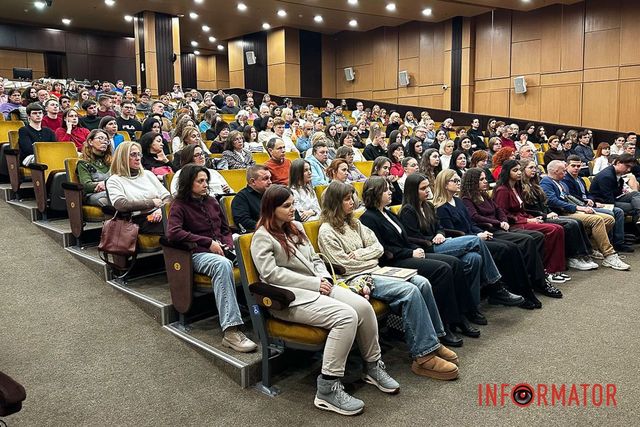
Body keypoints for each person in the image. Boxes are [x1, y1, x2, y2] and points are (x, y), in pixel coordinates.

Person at [251, 185, 400, 416]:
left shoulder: (296, 227)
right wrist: (313, 283)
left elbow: (315, 259)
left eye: (293, 203)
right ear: (272, 209)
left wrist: (323, 277)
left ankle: (372, 366)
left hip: (318, 286)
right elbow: (271, 274)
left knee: (363, 307)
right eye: (286, 206)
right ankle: (327, 388)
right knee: (346, 316)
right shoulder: (262, 237)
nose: (293, 209)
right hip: (289, 299)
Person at [317, 181, 459, 380]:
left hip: (376, 269)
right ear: (334, 203)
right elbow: (344, 265)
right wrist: (368, 257)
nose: (352, 202)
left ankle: (434, 339)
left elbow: (378, 248)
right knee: (409, 291)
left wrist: (359, 254)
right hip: (357, 279)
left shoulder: (355, 223)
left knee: (422, 282)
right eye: (346, 199)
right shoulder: (326, 231)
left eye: (351, 198)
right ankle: (424, 355)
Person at [362, 176, 485, 346]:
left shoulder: (388, 213)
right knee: (442, 269)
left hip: (406, 254)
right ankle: (445, 324)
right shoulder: (368, 218)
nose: (390, 192)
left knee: (454, 263)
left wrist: (414, 248)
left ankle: (461, 316)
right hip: (394, 261)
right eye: (385, 190)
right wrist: (411, 252)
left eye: (389, 188)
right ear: (374, 193)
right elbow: (383, 249)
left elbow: (405, 239)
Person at [166, 164, 257, 353]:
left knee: (252, 253)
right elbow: (173, 233)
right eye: (200, 181)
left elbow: (225, 229)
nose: (205, 184)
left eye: (206, 180)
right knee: (222, 264)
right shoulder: (179, 205)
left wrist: (227, 244)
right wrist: (208, 243)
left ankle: (262, 314)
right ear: (188, 183)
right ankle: (231, 331)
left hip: (220, 249)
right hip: (195, 254)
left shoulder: (212, 201)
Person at [400, 173, 502, 327]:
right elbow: (412, 237)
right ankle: (494, 280)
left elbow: (439, 227)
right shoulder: (408, 210)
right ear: (413, 191)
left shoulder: (428, 206)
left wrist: (440, 234)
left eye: (428, 187)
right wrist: (433, 239)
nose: (427, 190)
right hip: (428, 248)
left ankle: (471, 308)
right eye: (423, 188)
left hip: (440, 242)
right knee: (475, 240)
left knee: (474, 258)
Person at [432, 170, 542, 309]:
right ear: (444, 184)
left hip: (475, 237)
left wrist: (481, 232)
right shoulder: (441, 208)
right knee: (504, 249)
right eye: (455, 181)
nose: (458, 183)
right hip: (466, 243)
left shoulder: (458, 202)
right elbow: (452, 235)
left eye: (459, 180)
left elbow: (471, 224)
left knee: (512, 247)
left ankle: (524, 291)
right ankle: (499, 289)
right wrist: (477, 236)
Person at [540, 160, 629, 270]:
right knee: (597, 220)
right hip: (560, 213)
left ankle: (592, 248)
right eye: (563, 170)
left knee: (609, 219)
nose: (565, 173)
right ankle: (610, 255)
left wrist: (583, 206)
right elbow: (553, 201)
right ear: (555, 171)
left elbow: (570, 198)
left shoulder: (561, 182)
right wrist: (578, 208)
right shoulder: (546, 182)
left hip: (571, 209)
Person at [493, 160, 569, 282]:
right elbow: (503, 214)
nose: (519, 173)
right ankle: (548, 270)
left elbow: (521, 209)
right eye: (515, 170)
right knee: (552, 230)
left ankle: (556, 269)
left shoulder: (516, 187)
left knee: (558, 228)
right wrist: (527, 220)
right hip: (514, 224)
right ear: (507, 172)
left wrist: (533, 218)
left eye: (519, 170)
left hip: (523, 219)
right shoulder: (502, 190)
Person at [563, 155, 631, 253]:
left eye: (578, 166)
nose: (576, 168)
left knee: (618, 211)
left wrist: (592, 201)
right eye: (573, 166)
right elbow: (571, 197)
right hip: (580, 207)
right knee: (612, 212)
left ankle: (618, 243)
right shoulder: (565, 180)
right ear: (567, 166)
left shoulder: (580, 179)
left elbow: (588, 193)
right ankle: (607, 244)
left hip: (590, 204)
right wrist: (589, 202)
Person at [106, 141, 171, 235]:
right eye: (133, 155)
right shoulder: (114, 180)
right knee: (177, 226)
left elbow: (167, 197)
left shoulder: (148, 174)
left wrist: (161, 210)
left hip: (159, 214)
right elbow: (121, 204)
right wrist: (152, 202)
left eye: (139, 154)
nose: (138, 158)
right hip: (137, 220)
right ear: (122, 157)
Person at [77, 129, 112, 207]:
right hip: (92, 195)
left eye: (106, 140)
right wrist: (106, 185)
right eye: (100, 138)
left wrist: (106, 184)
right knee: (111, 199)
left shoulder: (111, 162)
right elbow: (86, 186)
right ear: (90, 142)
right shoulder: (83, 163)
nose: (104, 142)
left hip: (111, 191)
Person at [232, 165, 272, 232]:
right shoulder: (241, 197)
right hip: (259, 234)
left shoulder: (271, 194)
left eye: (270, 178)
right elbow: (243, 221)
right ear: (253, 181)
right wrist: (267, 227)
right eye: (265, 178)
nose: (270, 182)